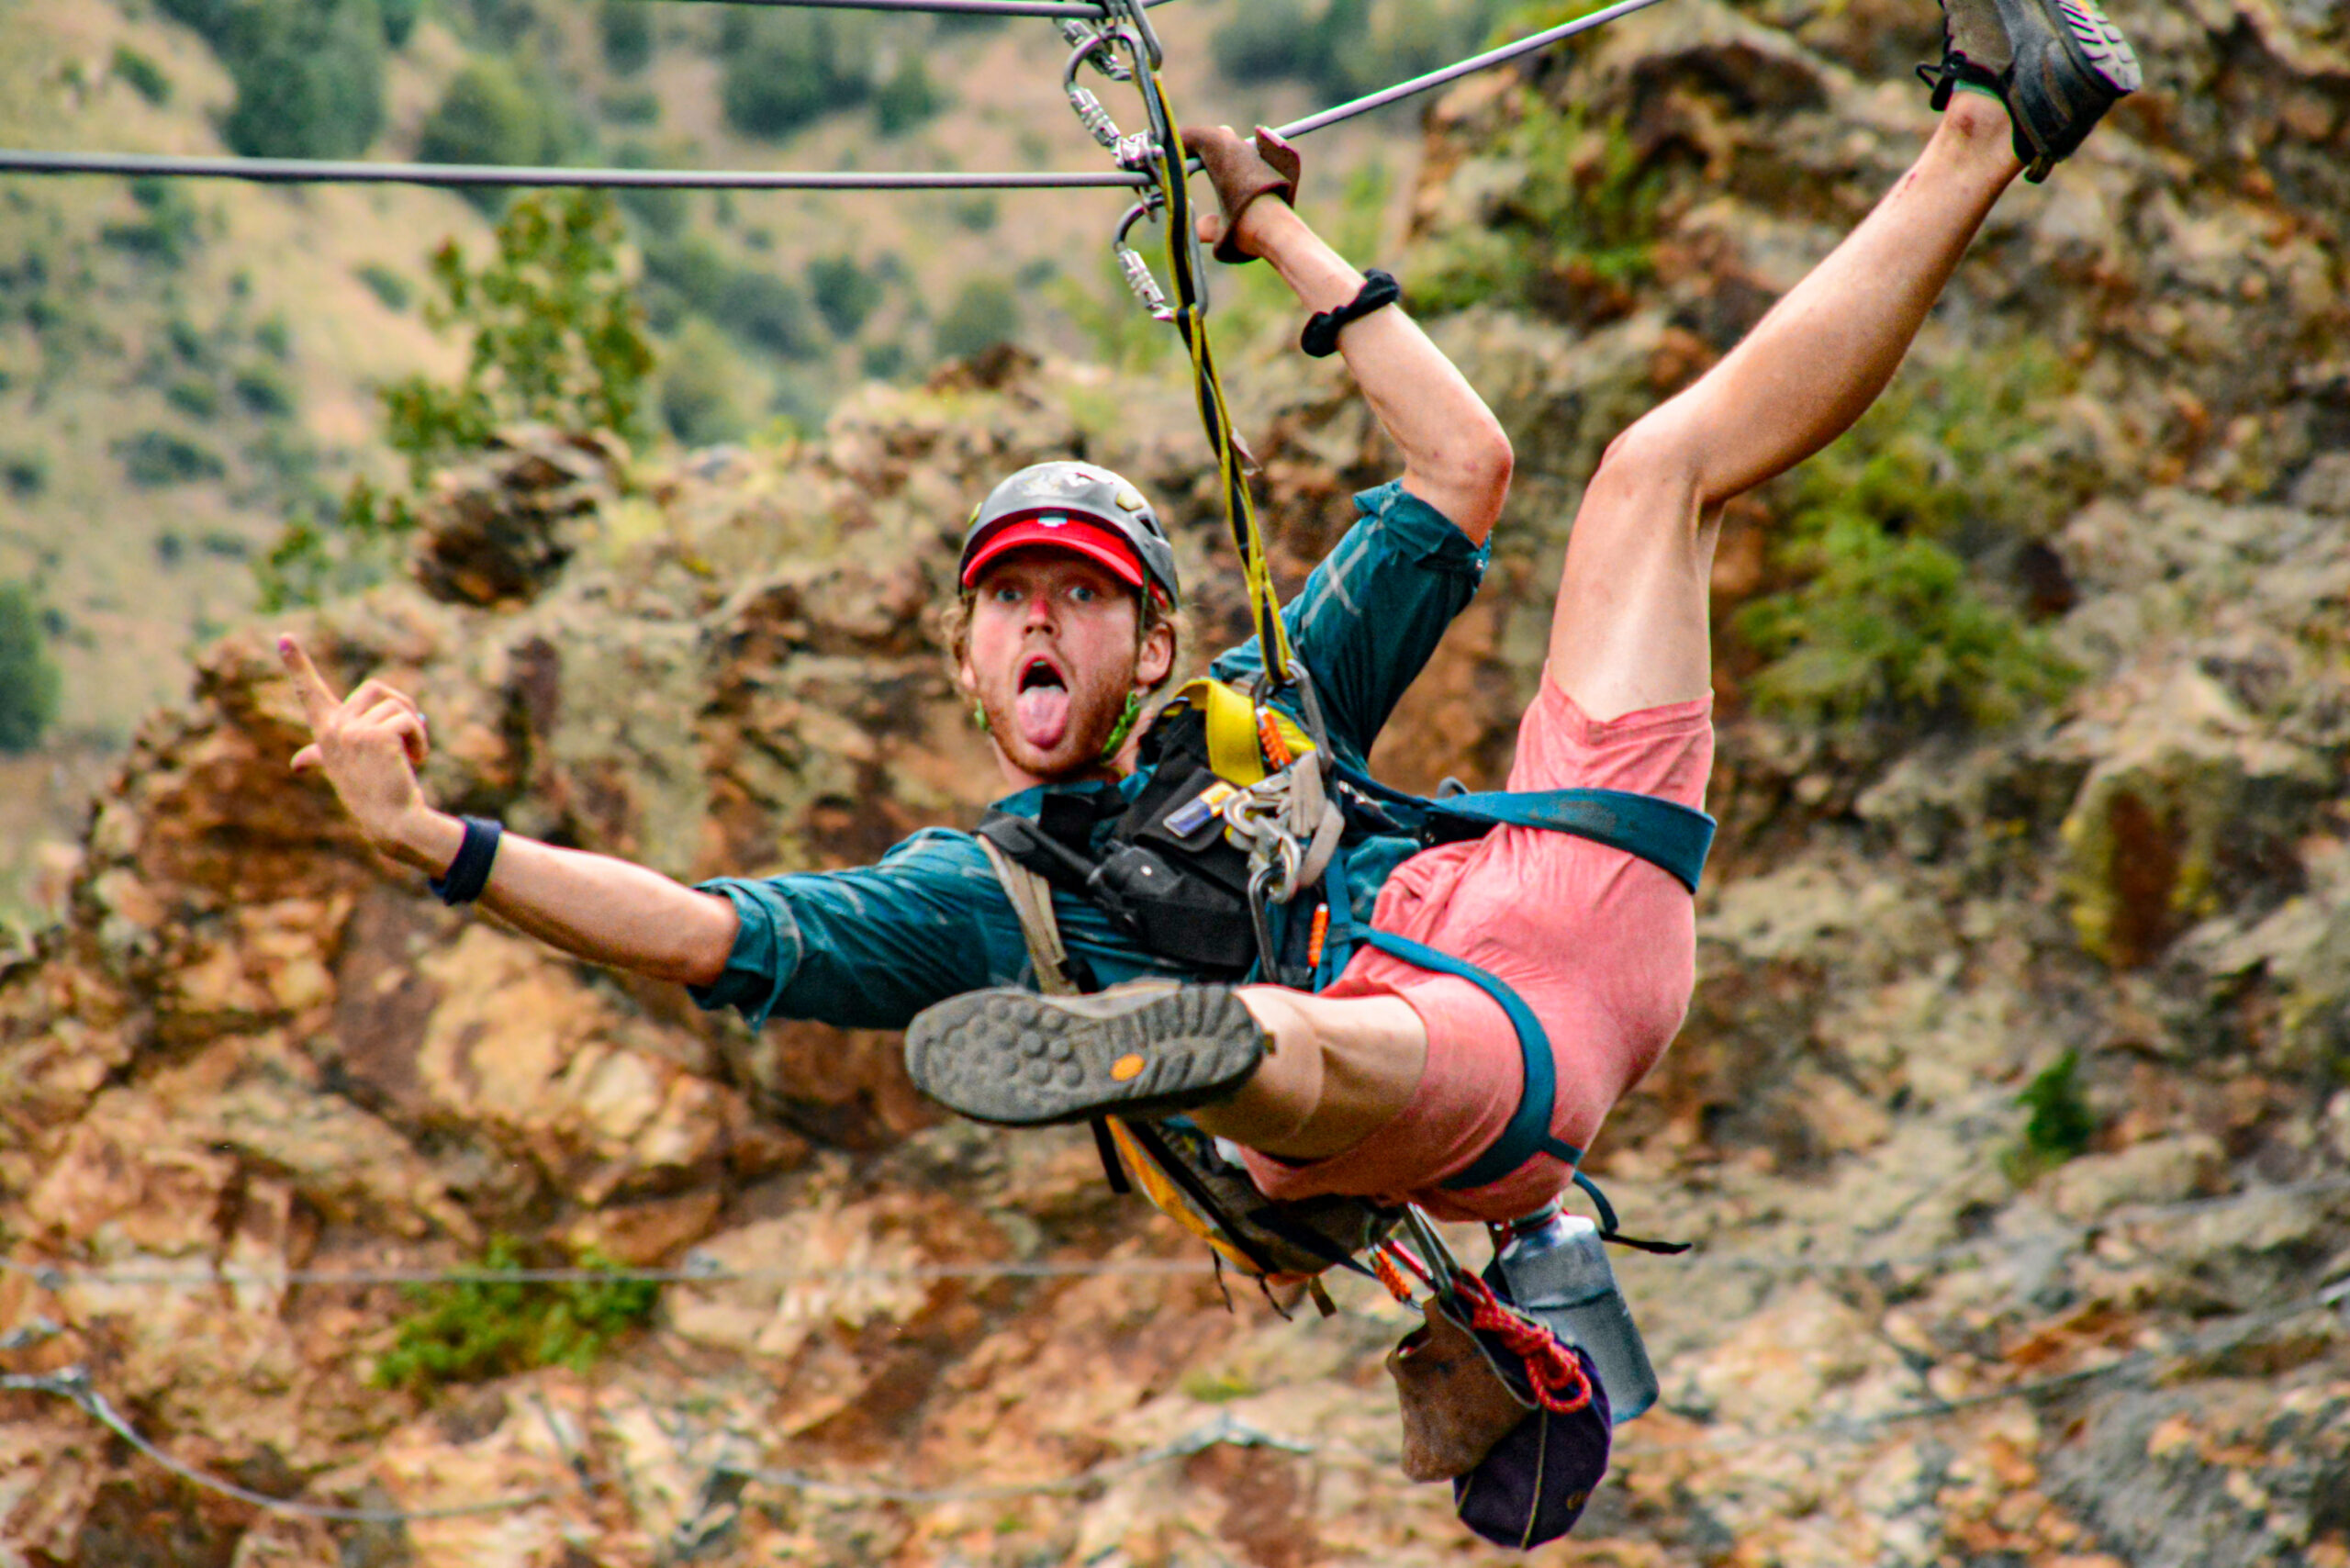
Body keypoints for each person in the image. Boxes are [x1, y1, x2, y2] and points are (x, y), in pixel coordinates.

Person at [281, 0, 2138, 1239]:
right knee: (1283, 1041)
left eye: (1075, 600)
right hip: (1460, 1075)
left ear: (1143, 646)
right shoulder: (973, 894)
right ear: (959, 651)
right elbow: (704, 932)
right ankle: (1183, 1038)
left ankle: (1990, 122)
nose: (1036, 620)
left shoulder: (1262, 697)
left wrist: (1279, 245)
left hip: (1559, 884)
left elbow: (1459, 461)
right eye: (1004, 598)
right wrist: (440, 843)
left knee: (1648, 471)